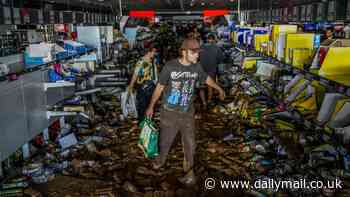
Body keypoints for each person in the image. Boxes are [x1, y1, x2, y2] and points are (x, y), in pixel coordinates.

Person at [145, 38, 225, 185]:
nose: (197, 55)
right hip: (169, 113)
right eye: (193, 52)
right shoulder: (170, 67)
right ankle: (160, 161)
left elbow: (206, 79)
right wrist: (151, 106)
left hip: (187, 112)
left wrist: (218, 88)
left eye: (197, 52)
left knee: (190, 144)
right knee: (165, 141)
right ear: (184, 52)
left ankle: (189, 174)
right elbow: (159, 88)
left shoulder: (196, 67)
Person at [128, 45, 158, 123]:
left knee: (150, 105)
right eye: (154, 52)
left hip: (151, 87)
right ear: (149, 52)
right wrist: (131, 86)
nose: (155, 53)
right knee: (142, 106)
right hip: (142, 87)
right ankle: (142, 123)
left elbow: (154, 74)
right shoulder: (141, 62)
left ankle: (149, 122)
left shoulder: (152, 61)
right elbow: (135, 74)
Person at [199, 34, 224, 109]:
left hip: (201, 69)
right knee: (210, 86)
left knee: (201, 87)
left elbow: (197, 57)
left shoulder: (201, 47)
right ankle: (209, 101)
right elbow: (221, 59)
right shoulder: (217, 48)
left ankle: (204, 103)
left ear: (207, 39)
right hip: (211, 69)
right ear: (213, 40)